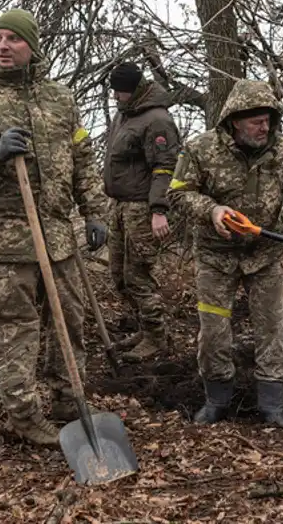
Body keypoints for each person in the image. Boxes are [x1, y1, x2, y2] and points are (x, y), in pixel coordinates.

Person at [0, 9, 109, 446]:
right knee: (15, 330)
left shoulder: (60, 98)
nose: (3, 46)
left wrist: (94, 211)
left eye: (13, 38)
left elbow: (82, 159)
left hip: (56, 237)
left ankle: (71, 403)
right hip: (3, 241)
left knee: (69, 323)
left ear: (31, 45)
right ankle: (25, 416)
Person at [167, 78, 283, 430]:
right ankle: (217, 401)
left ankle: (272, 406)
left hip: (265, 256)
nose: (265, 126)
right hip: (215, 257)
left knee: (271, 328)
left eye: (269, 119)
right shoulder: (200, 149)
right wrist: (211, 210)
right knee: (213, 330)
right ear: (235, 119)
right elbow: (179, 194)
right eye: (257, 120)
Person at [102, 61, 181, 361]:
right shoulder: (125, 114)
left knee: (138, 276)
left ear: (132, 90)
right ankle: (144, 328)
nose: (115, 97)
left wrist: (158, 209)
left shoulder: (157, 119)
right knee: (119, 276)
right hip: (120, 205)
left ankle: (157, 337)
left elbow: (166, 168)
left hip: (142, 208)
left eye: (119, 92)